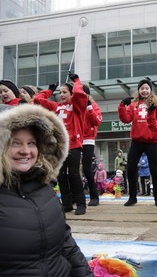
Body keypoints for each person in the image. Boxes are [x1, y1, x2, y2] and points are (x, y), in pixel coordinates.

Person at [0, 104, 93, 276]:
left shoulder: (45, 189)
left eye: (31, 143)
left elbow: (67, 244)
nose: (25, 151)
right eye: (15, 143)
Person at [34, 73, 88, 215]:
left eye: (65, 92)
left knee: (74, 174)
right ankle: (67, 204)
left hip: (75, 145)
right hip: (59, 146)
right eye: (60, 92)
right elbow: (38, 99)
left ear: (71, 94)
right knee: (61, 175)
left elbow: (79, 94)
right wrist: (50, 90)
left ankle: (81, 204)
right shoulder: (55, 106)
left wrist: (76, 80)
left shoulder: (77, 107)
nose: (62, 95)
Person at [118, 78, 157, 207]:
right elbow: (125, 119)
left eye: (146, 88)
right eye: (142, 88)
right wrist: (122, 105)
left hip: (152, 141)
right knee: (131, 169)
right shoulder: (133, 105)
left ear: (150, 90)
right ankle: (132, 197)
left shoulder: (156, 103)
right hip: (137, 141)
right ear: (138, 91)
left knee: (154, 170)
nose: (144, 91)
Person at [82, 84, 103, 206]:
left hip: (88, 139)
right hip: (74, 139)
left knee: (86, 168)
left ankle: (94, 196)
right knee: (72, 170)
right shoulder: (74, 105)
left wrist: (89, 107)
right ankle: (75, 195)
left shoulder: (93, 105)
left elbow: (97, 121)